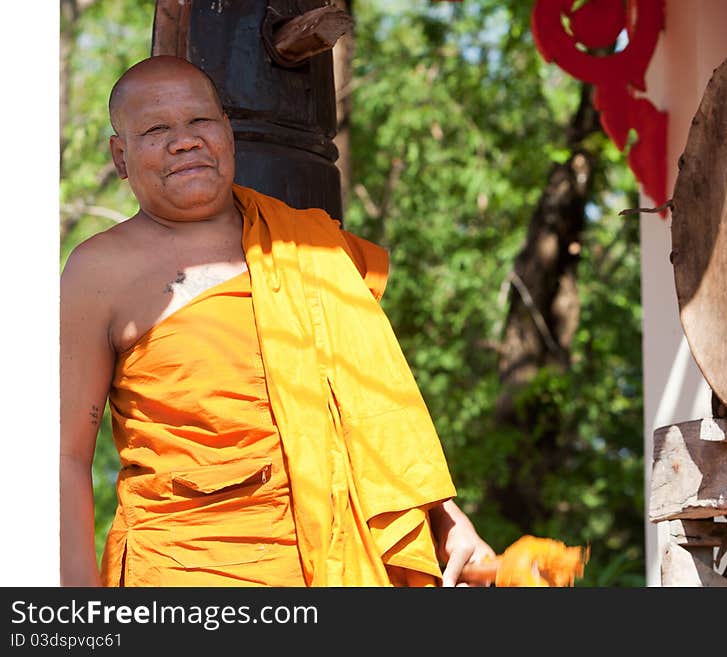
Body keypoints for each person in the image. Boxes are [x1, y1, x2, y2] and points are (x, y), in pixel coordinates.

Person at [60, 55, 495, 587]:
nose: (185, 140)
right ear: (120, 156)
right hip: (187, 566)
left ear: (227, 132)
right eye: (156, 128)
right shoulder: (98, 270)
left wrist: (446, 519)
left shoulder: (306, 245)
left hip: (335, 561)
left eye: (200, 121)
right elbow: (62, 457)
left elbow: (370, 412)